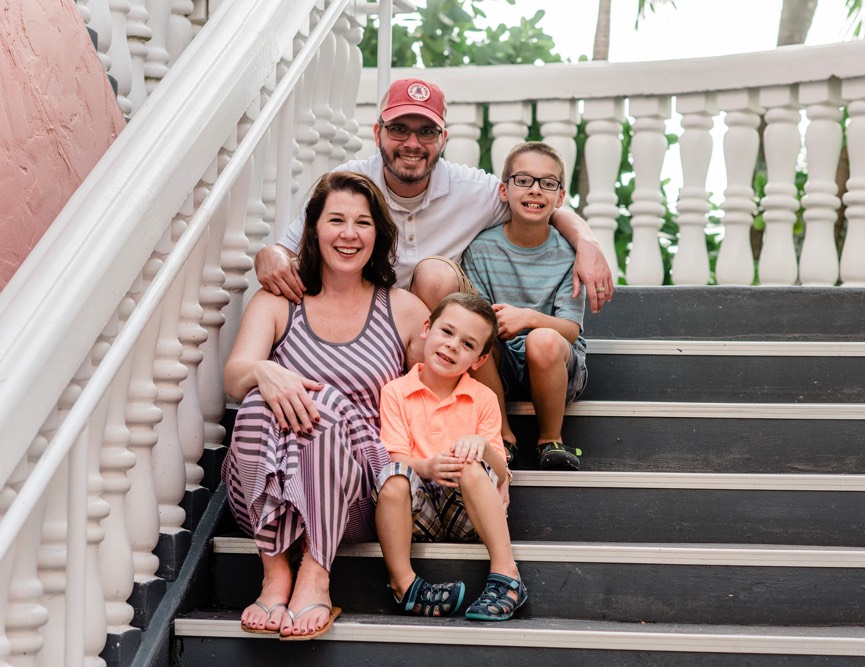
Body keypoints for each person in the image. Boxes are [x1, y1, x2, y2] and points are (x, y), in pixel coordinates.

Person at [222, 171, 429, 640]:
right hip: (262, 491)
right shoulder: (278, 301)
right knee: (257, 400)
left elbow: (433, 394)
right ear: (313, 229)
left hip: (354, 495)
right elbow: (235, 375)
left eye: (363, 222)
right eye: (335, 220)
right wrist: (264, 371)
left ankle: (316, 572)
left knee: (326, 405)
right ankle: (275, 573)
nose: (349, 234)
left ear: (379, 234)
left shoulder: (403, 308)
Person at [253, 77, 614, 314]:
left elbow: (539, 206)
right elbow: (289, 249)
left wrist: (587, 242)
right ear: (378, 132)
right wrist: (270, 254)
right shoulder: (346, 185)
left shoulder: (473, 190)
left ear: (444, 139)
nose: (412, 144)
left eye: (426, 131)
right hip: (363, 315)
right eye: (399, 129)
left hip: (436, 328)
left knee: (435, 274)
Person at [374, 292, 526, 622]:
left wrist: (483, 446)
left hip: (466, 512)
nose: (453, 345)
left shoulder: (483, 398)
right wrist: (427, 466)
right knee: (393, 476)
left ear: (478, 360)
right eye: (447, 332)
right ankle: (404, 583)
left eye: (468, 344)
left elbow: (500, 471)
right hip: (417, 512)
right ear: (427, 328)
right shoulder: (396, 392)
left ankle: (507, 575)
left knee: (473, 466)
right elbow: (394, 456)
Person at [463, 142, 588, 471]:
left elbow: (571, 331)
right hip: (499, 364)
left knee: (542, 339)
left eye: (548, 183)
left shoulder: (570, 256)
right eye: (523, 180)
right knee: (477, 339)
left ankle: (550, 439)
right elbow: (476, 317)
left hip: (556, 364)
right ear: (504, 190)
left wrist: (529, 318)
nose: (535, 190)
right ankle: (502, 436)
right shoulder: (481, 249)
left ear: (560, 198)